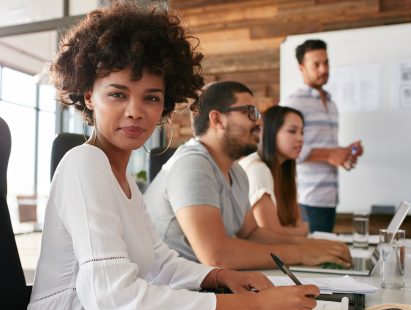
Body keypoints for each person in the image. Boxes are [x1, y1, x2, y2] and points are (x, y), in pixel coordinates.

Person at [22, 4, 320, 310]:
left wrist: (218, 276)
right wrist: (254, 306)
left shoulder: (123, 180)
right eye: (118, 94)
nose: (135, 111)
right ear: (90, 96)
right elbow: (110, 296)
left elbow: (159, 261)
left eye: (151, 98)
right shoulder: (84, 163)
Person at [144, 80, 352, 271]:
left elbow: (253, 234)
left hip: (203, 287)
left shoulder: (237, 172)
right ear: (217, 119)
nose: (260, 123)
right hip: (171, 294)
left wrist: (312, 245)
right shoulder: (192, 165)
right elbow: (217, 256)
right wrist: (302, 253)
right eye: (250, 112)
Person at [280, 39, 364, 233]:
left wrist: (346, 153)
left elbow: (327, 150)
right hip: (307, 200)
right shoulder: (294, 103)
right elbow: (285, 149)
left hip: (330, 198)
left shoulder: (332, 104)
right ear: (302, 68)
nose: (323, 69)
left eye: (326, 62)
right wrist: (328, 155)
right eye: (316, 64)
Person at [239, 105, 310, 237]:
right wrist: (303, 231)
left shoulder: (284, 169)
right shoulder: (257, 168)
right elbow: (270, 234)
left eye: (302, 132)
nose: (300, 139)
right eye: (292, 131)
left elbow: (295, 221)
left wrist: (298, 229)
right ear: (270, 133)